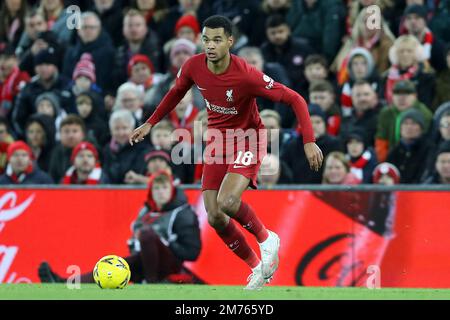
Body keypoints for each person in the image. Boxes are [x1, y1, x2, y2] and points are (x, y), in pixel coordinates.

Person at [129, 15, 323, 290]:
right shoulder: (194, 66)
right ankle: (258, 268)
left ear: (229, 42)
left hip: (248, 138)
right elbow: (175, 93)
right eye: (206, 39)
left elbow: (295, 98)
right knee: (215, 216)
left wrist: (309, 140)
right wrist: (150, 123)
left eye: (217, 40)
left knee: (229, 201)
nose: (210, 45)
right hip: (218, 143)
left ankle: (268, 239)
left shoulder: (246, 74)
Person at [39, 170, 202, 284]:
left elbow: (192, 252)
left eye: (164, 188)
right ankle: (66, 283)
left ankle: (152, 285)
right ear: (151, 191)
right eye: (156, 188)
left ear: (172, 190)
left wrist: (165, 241)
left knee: (146, 235)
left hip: (170, 265)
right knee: (114, 266)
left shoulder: (182, 213)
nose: (160, 192)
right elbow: (135, 241)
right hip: (145, 260)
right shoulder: (146, 211)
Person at [375, 80, 432, 162]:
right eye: (397, 94)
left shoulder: (425, 114)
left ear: (415, 96)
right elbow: (381, 140)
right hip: (392, 157)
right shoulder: (386, 113)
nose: (401, 98)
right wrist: (384, 163)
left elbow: (427, 142)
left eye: (407, 94)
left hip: (417, 158)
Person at [386, 109, 434, 183]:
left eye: (413, 124)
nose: (409, 127)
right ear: (400, 128)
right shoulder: (395, 150)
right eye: (405, 123)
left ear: (421, 128)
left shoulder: (428, 149)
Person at [103, 109, 148, 184]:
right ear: (111, 130)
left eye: (124, 128)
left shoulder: (142, 148)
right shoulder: (107, 149)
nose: (121, 133)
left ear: (132, 129)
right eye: (116, 128)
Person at [48, 115, 86, 183]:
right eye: (66, 131)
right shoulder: (56, 152)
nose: (71, 135)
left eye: (75, 131)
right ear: (60, 135)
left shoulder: (91, 152)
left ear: (83, 134)